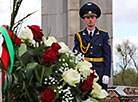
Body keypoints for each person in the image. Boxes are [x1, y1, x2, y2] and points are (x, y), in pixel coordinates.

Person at [73, 2, 111, 91]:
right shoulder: (79, 36)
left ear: (96, 19)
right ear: (84, 20)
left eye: (92, 17)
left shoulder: (103, 35)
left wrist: (106, 73)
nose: (90, 20)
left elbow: (107, 56)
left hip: (100, 72)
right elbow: (76, 55)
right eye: (87, 17)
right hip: (85, 71)